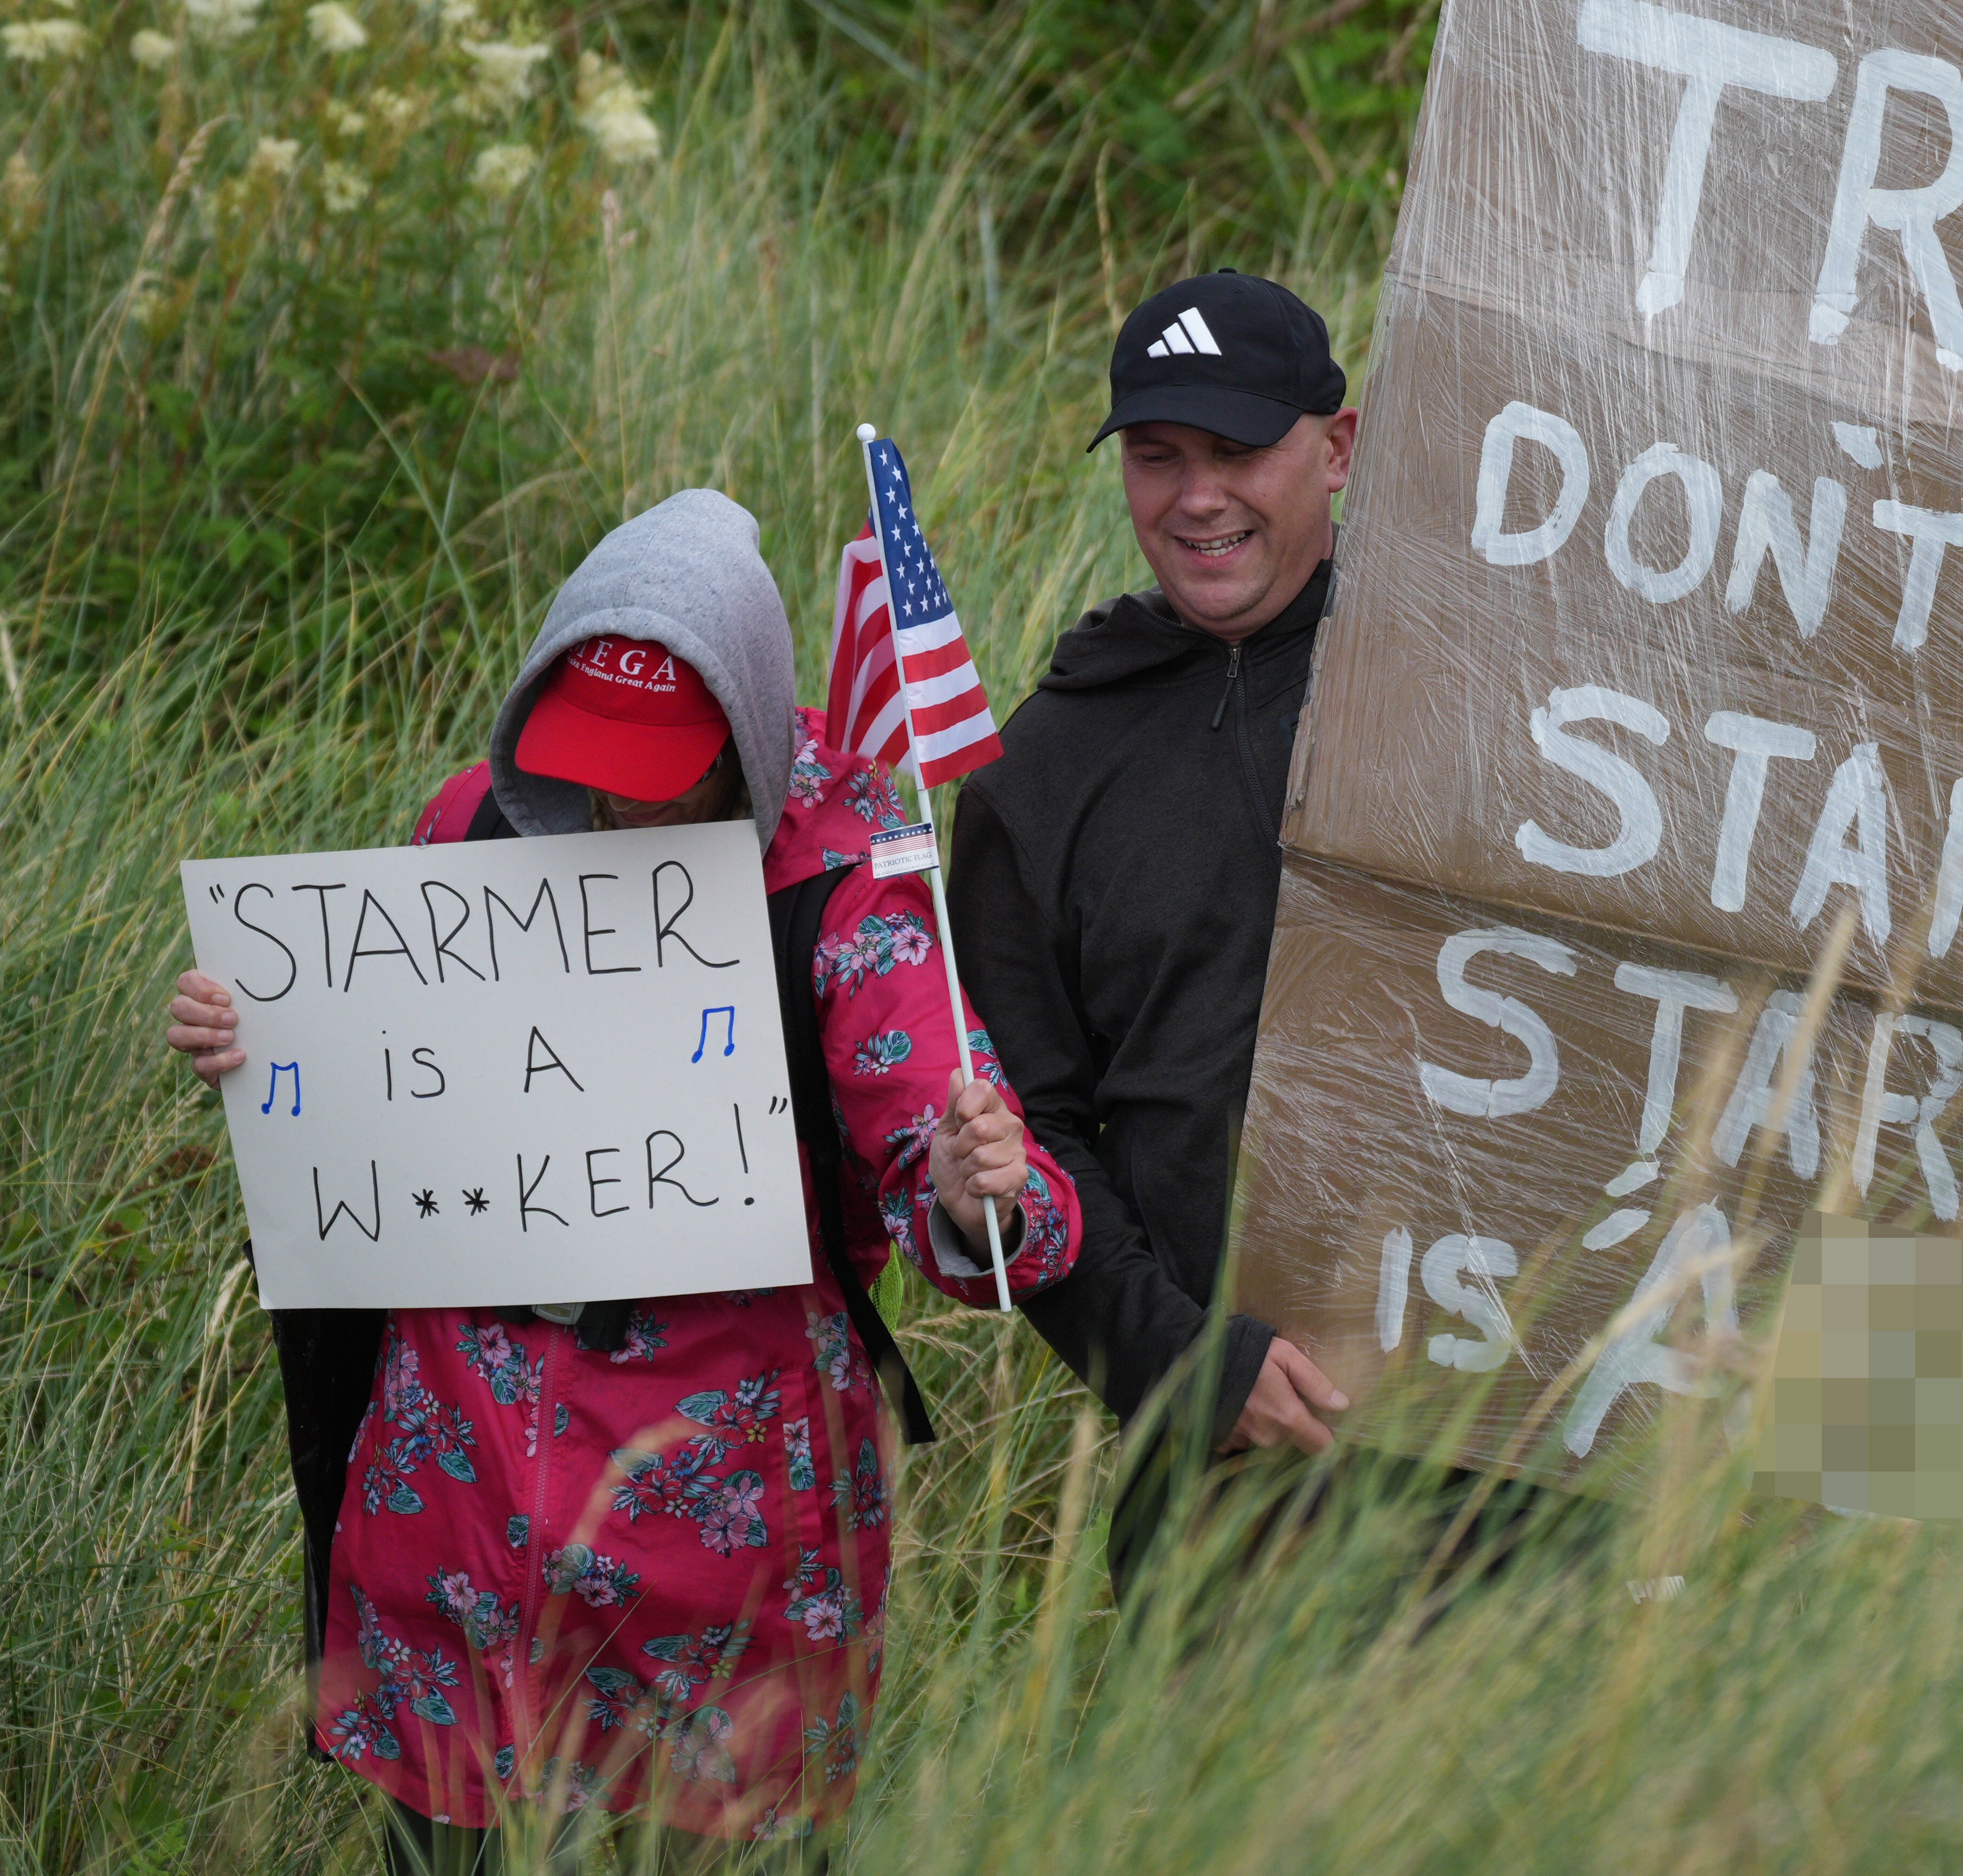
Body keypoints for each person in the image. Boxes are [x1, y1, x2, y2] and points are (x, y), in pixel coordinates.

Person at [163, 488, 1080, 1866]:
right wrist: (260, 1043)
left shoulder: (845, 887)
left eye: (670, 773)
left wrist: (975, 1186)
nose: (615, 804)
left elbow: (975, 1193)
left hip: (723, 1547)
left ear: (751, 737)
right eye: (591, 761)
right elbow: (384, 1084)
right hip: (456, 1505)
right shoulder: (469, 828)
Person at [946, 271, 1364, 1597]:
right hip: (1233, 1474)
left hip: (1539, 1454)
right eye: (1155, 455)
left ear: (1338, 449)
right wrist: (1186, 1370)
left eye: (1239, 450)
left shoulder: (1473, 682)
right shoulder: (1037, 775)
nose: (1196, 498)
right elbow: (1031, 1142)